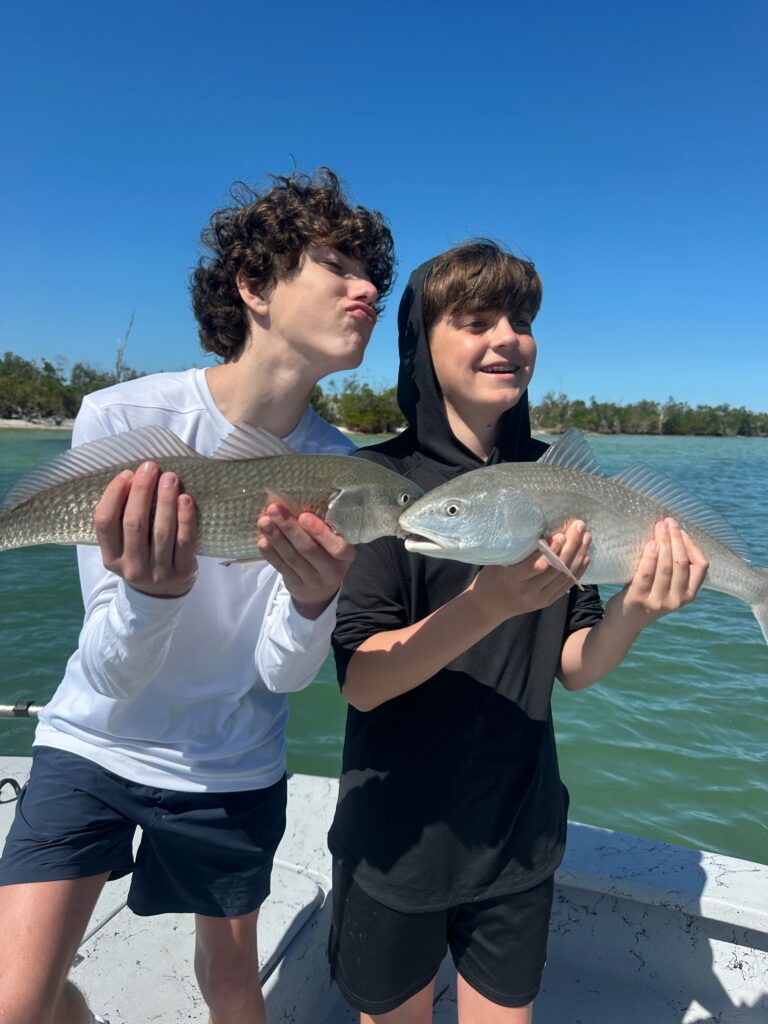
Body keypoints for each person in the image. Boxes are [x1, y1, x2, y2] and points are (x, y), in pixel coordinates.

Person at [0, 169, 394, 1024]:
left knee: (230, 986)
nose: (369, 289)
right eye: (338, 264)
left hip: (234, 763)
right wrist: (151, 597)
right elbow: (107, 675)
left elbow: (282, 677)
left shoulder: (348, 473)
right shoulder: (121, 416)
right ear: (253, 285)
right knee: (15, 1002)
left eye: (375, 276)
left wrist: (314, 601)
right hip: (94, 743)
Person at [327, 240, 709, 1024]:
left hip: (521, 831)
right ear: (421, 345)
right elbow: (362, 679)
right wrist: (486, 605)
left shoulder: (569, 486)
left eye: (521, 319)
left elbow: (575, 664)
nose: (506, 337)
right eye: (474, 320)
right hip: (396, 839)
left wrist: (635, 609)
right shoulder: (376, 485)